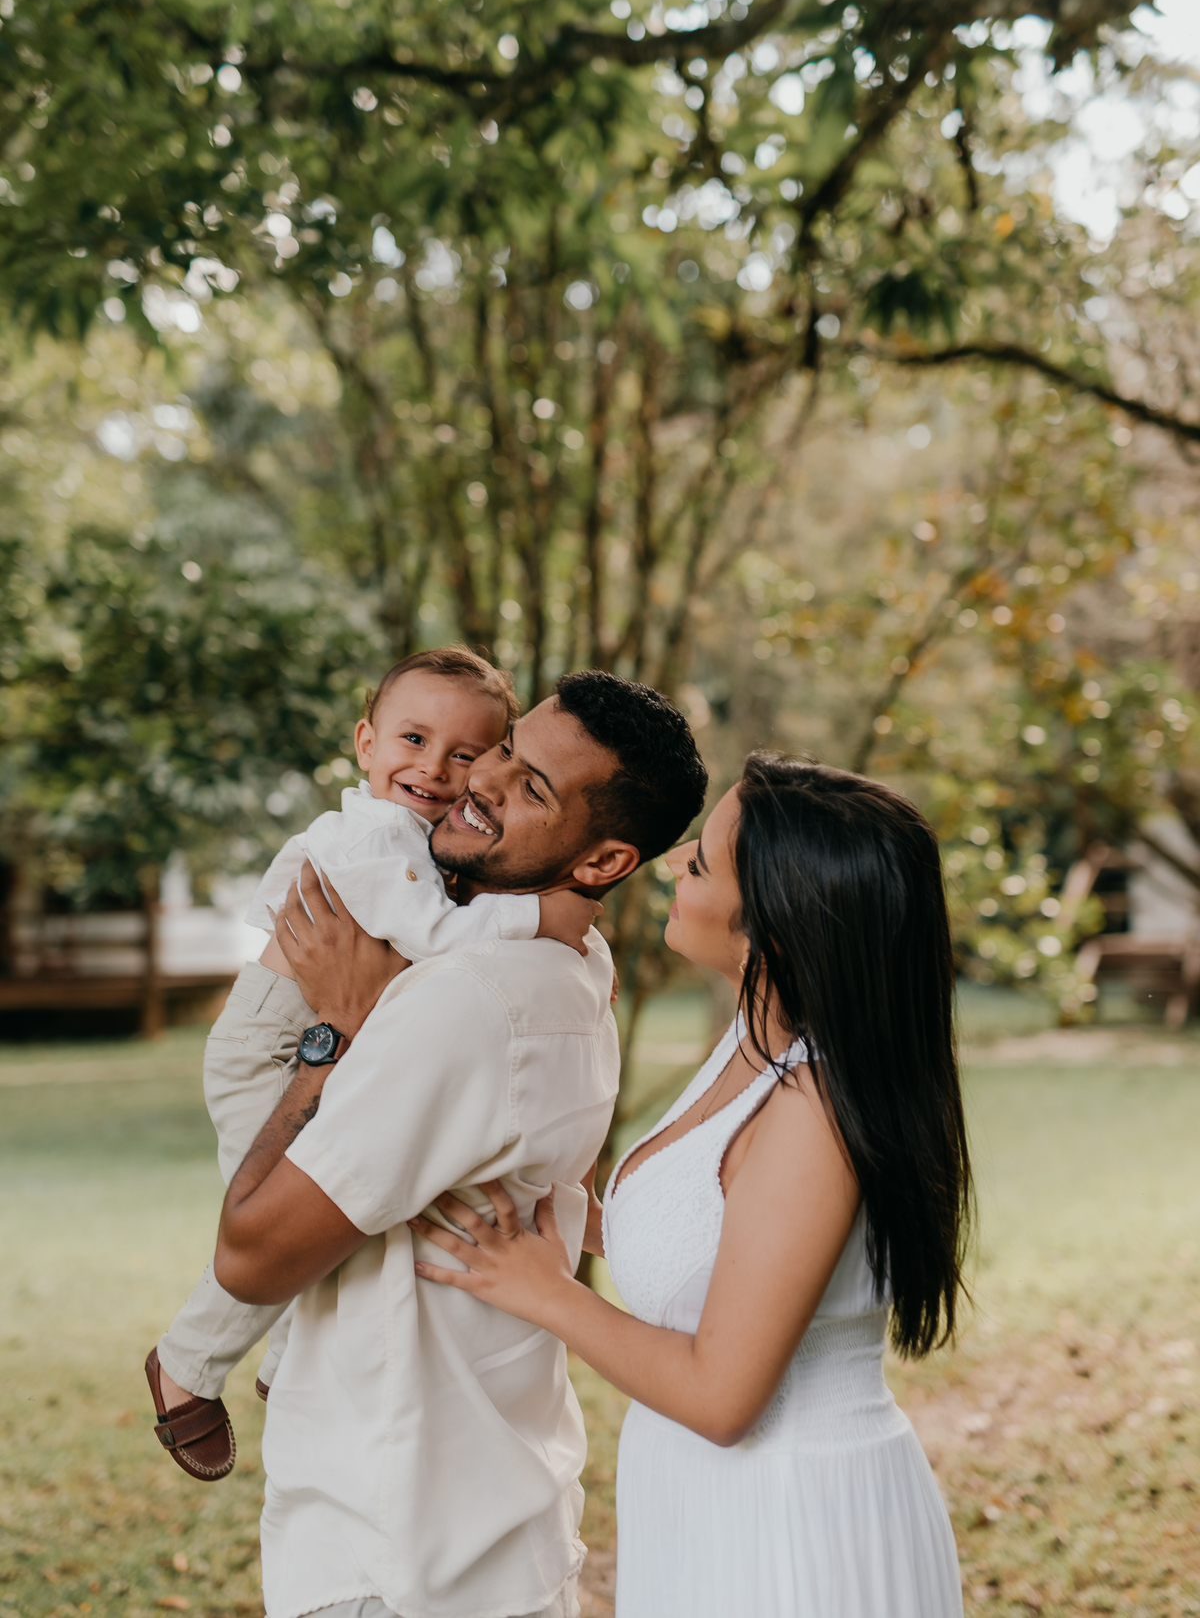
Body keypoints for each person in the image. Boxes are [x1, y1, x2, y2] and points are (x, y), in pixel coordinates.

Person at [412, 753, 972, 1618]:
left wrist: (544, 1292)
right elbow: (715, 1239)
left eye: (702, 863)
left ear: (771, 932)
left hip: (793, 1524)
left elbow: (722, 1396)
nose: (672, 862)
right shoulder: (757, 1042)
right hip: (713, 1509)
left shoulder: (812, 1111)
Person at [210, 671, 708, 1618]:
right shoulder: (578, 965)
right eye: (508, 750)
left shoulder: (466, 998)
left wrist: (335, 1034)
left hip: (390, 1554)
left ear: (605, 860)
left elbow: (251, 1255)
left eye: (532, 788)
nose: (480, 779)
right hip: (505, 1528)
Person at [145, 647, 594, 1483]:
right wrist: (541, 919)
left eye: (464, 753)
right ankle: (184, 1368)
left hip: (321, 1043)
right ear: (365, 743)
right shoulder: (373, 836)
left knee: (323, 1217)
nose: (433, 767)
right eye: (413, 739)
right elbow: (429, 936)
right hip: (268, 1052)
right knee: (274, 1224)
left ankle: (288, 1366)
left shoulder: (425, 839)